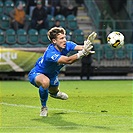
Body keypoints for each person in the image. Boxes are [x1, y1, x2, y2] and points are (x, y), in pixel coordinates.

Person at [28, 27, 97, 116]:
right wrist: (82, 53)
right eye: (61, 38)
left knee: (53, 91)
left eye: (64, 37)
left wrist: (88, 43)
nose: (64, 40)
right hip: (37, 73)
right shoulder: (50, 53)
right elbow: (68, 61)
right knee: (45, 82)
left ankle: (55, 93)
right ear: (54, 41)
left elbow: (82, 48)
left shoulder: (67, 45)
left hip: (52, 75)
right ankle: (43, 107)